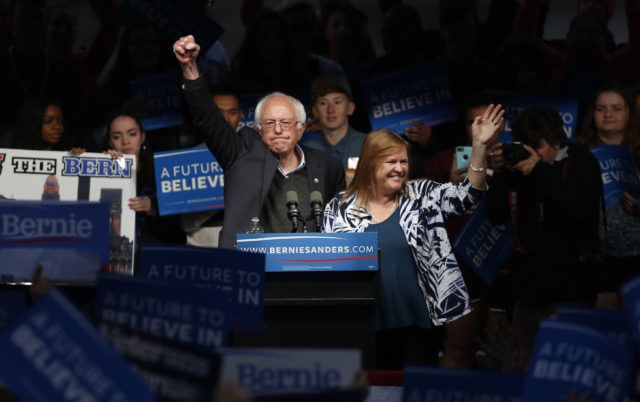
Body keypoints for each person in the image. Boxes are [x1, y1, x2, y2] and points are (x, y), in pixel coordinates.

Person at [322, 104, 504, 369]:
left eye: (404, 162)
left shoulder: (421, 194)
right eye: (391, 162)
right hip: (367, 322)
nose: (400, 169)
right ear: (371, 163)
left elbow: (468, 194)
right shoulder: (340, 207)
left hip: (420, 322)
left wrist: (478, 146)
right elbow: (330, 265)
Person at [173, 35, 346, 248]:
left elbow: (341, 227)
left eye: (286, 122)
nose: (278, 130)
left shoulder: (328, 166)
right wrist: (189, 67)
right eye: (270, 123)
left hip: (308, 270)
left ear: (300, 129)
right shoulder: (240, 154)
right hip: (251, 269)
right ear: (259, 130)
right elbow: (208, 118)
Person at [486, 106, 602, 372]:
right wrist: (503, 175)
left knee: (564, 374)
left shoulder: (580, 160)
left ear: (553, 141)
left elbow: (579, 212)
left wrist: (538, 171)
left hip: (569, 292)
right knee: (520, 373)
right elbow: (495, 215)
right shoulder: (520, 169)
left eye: (535, 146)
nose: (529, 153)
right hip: (527, 293)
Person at [575, 83, 640, 304]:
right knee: (605, 320)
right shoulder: (577, 153)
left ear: (629, 113)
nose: (608, 114)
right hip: (597, 254)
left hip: (637, 252)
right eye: (600, 108)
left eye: (616, 108)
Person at [180, 86, 243, 247]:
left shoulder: (258, 155)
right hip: (203, 241)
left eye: (232, 112)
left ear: (241, 115)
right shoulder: (187, 161)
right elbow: (185, 223)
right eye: (219, 113)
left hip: (248, 237)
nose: (226, 119)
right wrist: (221, 199)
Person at [303, 74, 367, 176]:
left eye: (337, 102)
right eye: (323, 103)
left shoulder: (368, 146)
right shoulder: (306, 153)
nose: (331, 110)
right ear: (315, 110)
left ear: (350, 108)